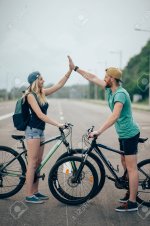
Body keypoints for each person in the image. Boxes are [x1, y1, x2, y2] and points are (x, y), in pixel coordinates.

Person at [68, 56, 140, 212]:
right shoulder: (109, 89)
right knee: (124, 163)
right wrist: (75, 68)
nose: (104, 78)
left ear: (112, 79)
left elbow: (115, 116)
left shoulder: (120, 94)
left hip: (130, 133)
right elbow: (91, 77)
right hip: (123, 133)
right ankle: (130, 190)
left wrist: (98, 131)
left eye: (106, 77)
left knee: (131, 168)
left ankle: (133, 202)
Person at [24, 59, 72, 204]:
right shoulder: (30, 95)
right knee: (32, 163)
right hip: (32, 131)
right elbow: (40, 115)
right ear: (35, 81)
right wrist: (58, 123)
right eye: (41, 78)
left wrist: (69, 71)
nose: (43, 80)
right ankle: (28, 195)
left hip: (40, 131)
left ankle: (36, 192)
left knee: (38, 163)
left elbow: (58, 85)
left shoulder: (41, 93)